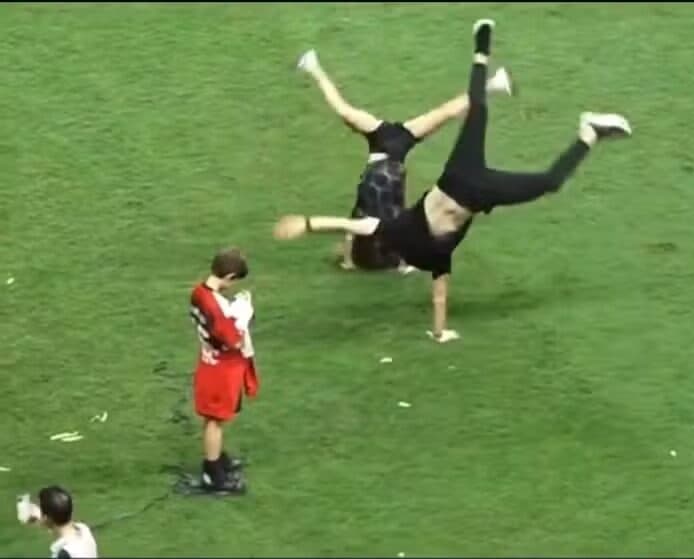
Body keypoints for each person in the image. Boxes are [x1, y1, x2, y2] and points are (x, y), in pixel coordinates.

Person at [275, 19, 632, 343]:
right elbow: (361, 227)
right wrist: (307, 223)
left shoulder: (432, 252)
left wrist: (440, 331)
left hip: (472, 184)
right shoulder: (411, 240)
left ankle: (583, 129)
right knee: (481, 113)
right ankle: (486, 51)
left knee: (547, 178)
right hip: (463, 176)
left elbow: (436, 292)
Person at [296, 48, 513, 272]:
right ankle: (494, 84)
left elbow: (363, 227)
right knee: (443, 112)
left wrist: (352, 260)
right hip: (387, 145)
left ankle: (312, 66)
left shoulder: (377, 211)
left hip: (386, 146)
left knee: (443, 112)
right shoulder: (377, 211)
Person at [189, 247, 258, 495]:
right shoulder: (215, 305)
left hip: (210, 362)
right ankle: (212, 473)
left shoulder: (199, 292)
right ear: (228, 276)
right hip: (220, 368)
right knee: (215, 420)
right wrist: (243, 316)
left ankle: (217, 459)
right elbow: (232, 340)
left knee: (215, 418)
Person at [17, 486, 98, 558]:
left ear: (46, 518)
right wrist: (42, 517)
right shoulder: (83, 530)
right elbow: (60, 522)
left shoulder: (65, 554)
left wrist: (43, 520)